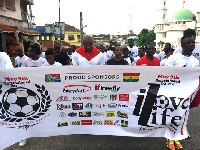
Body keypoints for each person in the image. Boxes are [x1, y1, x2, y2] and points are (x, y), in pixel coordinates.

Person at [165, 35, 199, 150]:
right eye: (188, 43)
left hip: (187, 95)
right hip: (174, 94)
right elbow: (167, 75)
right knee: (172, 115)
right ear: (182, 44)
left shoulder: (195, 61)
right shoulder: (174, 58)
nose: (191, 45)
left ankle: (177, 137)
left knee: (183, 117)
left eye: (193, 43)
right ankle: (169, 138)